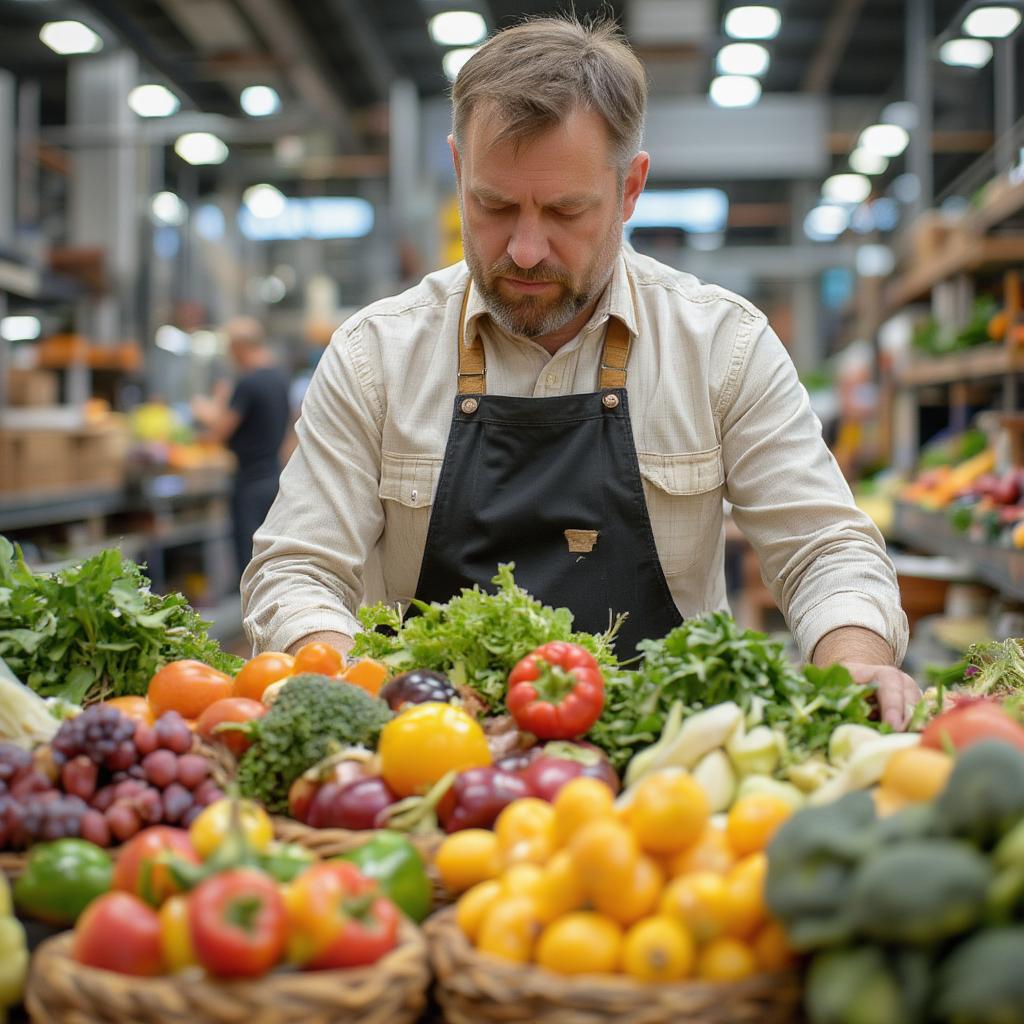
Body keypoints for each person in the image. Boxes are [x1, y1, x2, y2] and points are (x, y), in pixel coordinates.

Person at [241, 17, 918, 728]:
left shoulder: (722, 346)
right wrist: (332, 669)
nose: (527, 250)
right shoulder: (375, 356)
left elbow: (823, 548)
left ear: (630, 190)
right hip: (431, 765)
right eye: (494, 206)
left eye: (566, 211)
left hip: (665, 774)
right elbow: (298, 569)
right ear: (457, 170)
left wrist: (852, 656)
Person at [192, 316, 291, 578]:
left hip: (249, 483)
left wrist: (207, 408)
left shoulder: (247, 384)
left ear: (239, 347)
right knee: (270, 561)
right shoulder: (280, 379)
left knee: (249, 567)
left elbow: (218, 432)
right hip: (274, 480)